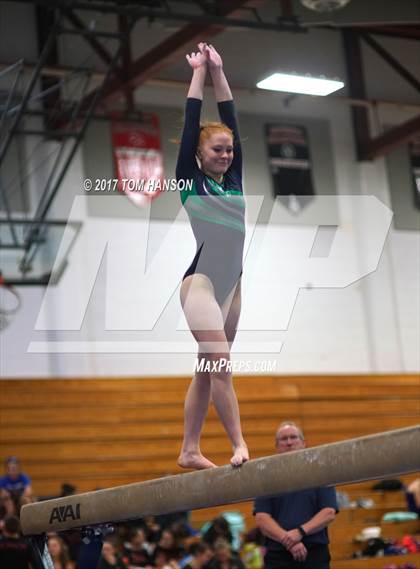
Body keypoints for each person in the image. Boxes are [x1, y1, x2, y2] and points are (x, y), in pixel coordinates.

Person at [176, 42, 248, 470]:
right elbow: (190, 122)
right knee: (222, 365)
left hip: (234, 287)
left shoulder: (236, 179)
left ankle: (189, 449)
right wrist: (200, 72)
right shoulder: (190, 179)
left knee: (206, 368)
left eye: (229, 149)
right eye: (217, 149)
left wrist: (221, 70)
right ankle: (239, 443)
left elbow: (232, 118)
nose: (226, 154)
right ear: (200, 155)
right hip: (200, 283)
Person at [253, 422, 338, 569]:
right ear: (277, 446)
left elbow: (328, 512)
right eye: (283, 439)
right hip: (278, 554)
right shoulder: (267, 476)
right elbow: (261, 518)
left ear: (304, 443)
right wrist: (288, 540)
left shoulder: (320, 472)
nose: (289, 442)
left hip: (314, 553)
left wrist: (300, 532)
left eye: (293, 437)